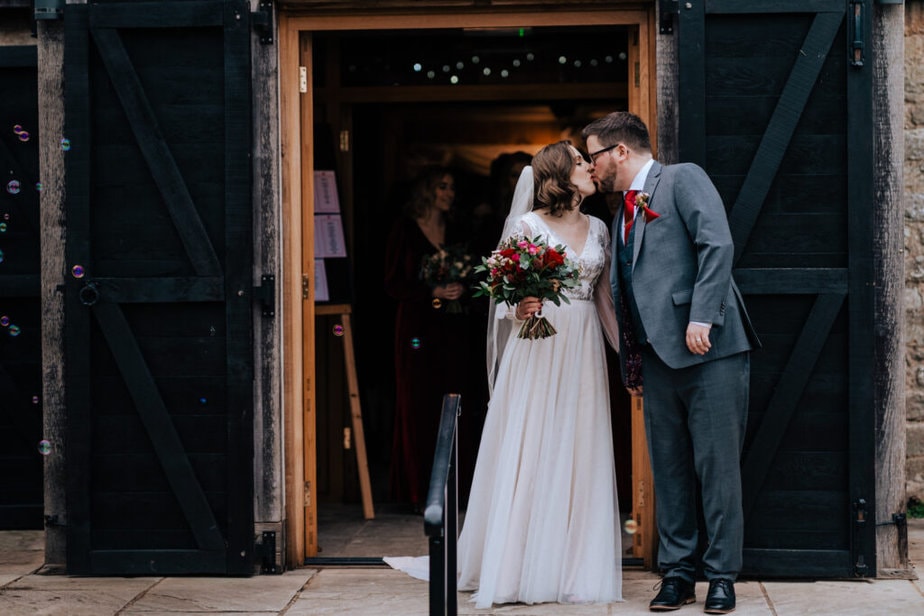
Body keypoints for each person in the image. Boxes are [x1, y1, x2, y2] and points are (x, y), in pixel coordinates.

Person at [582, 111, 760, 614]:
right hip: (658, 362)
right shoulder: (620, 213)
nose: (591, 167)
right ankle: (678, 574)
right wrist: (633, 362)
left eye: (593, 155)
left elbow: (716, 245)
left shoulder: (683, 178)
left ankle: (721, 576)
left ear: (620, 151)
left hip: (710, 353)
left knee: (717, 469)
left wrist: (704, 316)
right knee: (670, 470)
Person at [457, 140, 623, 607]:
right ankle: (517, 566)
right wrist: (519, 304)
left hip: (584, 346)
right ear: (558, 175)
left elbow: (605, 299)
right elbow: (503, 300)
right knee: (533, 444)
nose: (590, 167)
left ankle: (571, 565)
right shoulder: (528, 226)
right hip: (539, 348)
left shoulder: (599, 228)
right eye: (578, 161)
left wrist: (624, 352)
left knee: (580, 446)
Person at [383, 165, 475, 512]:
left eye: (451, 187)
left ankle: (456, 488)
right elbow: (391, 283)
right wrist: (431, 291)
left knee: (454, 400)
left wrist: (460, 288)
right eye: (442, 187)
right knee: (417, 402)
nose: (448, 193)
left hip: (452, 328)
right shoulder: (404, 230)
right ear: (426, 190)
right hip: (416, 326)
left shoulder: (457, 229)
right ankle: (417, 490)